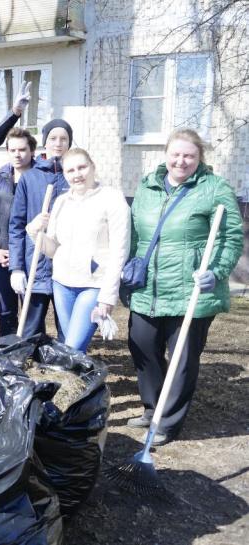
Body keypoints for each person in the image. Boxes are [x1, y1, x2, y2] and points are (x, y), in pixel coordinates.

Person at [125, 128, 243, 446]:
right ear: (166, 154)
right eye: (176, 154)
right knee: (141, 344)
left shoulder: (214, 188)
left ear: (199, 157)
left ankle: (169, 421)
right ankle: (152, 408)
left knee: (182, 357)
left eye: (189, 155)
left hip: (192, 288)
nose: (181, 161)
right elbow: (134, 232)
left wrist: (217, 272)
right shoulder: (148, 186)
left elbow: (231, 237)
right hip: (148, 285)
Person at [25, 148, 130, 352]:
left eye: (82, 167)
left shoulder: (112, 198)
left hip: (94, 284)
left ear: (93, 167)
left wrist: (108, 296)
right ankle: (83, 382)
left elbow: (120, 251)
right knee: (71, 348)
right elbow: (53, 250)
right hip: (62, 283)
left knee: (72, 347)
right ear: (65, 174)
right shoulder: (62, 202)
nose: (77, 174)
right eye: (70, 170)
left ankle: (72, 382)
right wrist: (34, 232)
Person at [8, 118, 73, 338]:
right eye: (53, 138)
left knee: (67, 325)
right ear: (45, 142)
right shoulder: (31, 177)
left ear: (69, 143)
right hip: (33, 261)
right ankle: (27, 359)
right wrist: (16, 267)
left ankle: (67, 362)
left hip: (66, 264)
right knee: (30, 327)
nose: (58, 143)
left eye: (64, 139)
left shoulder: (75, 178)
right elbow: (16, 225)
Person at [0, 127, 37, 336]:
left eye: (22, 149)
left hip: (31, 257)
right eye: (12, 149)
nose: (17, 154)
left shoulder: (40, 180)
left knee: (31, 310)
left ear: (32, 150)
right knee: (6, 311)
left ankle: (31, 347)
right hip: (2, 257)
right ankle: (8, 349)